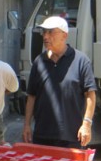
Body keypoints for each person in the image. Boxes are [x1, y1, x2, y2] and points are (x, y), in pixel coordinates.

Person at [22, 16, 97, 148]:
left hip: (71, 136)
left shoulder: (80, 60)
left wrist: (86, 124)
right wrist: (27, 125)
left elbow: (90, 94)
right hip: (42, 136)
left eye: (50, 32)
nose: (45, 36)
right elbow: (31, 96)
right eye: (44, 32)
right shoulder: (39, 62)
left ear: (64, 35)